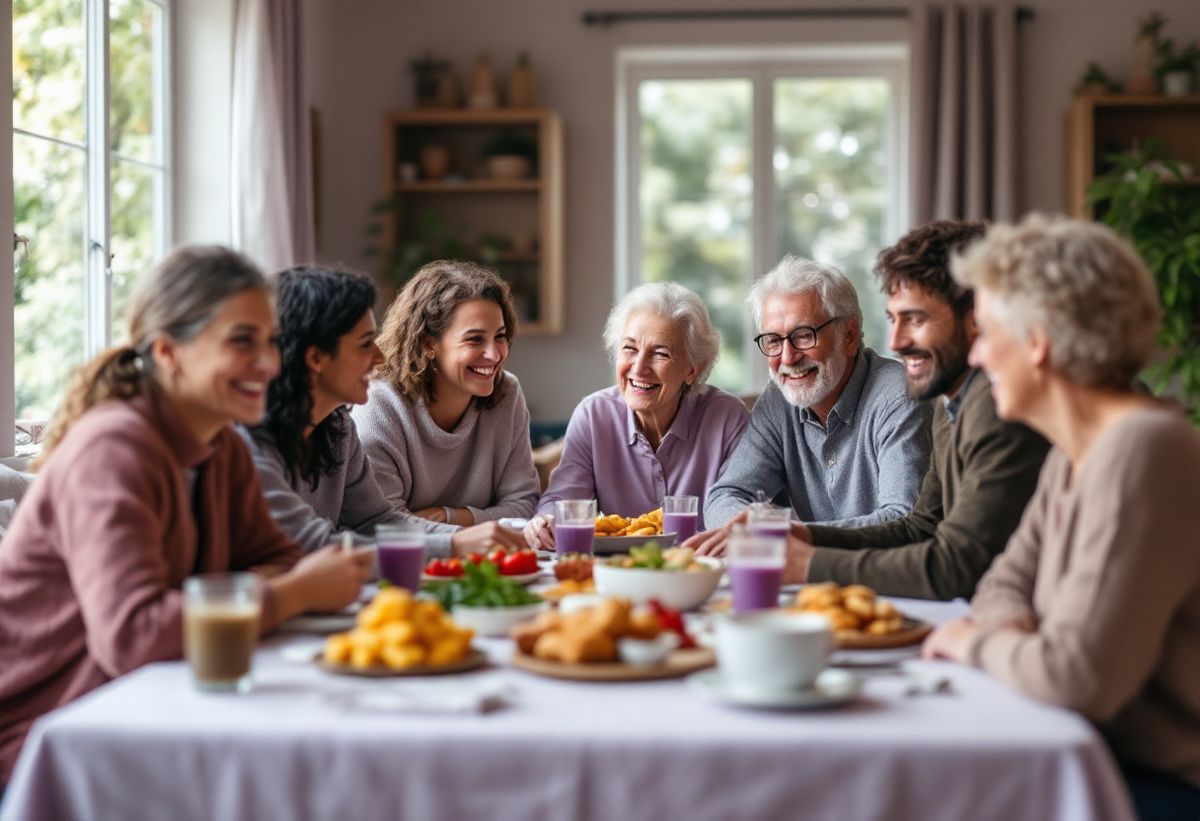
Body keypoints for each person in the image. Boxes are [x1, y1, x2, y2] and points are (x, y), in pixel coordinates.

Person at [0, 246, 373, 785]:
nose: (270, 363)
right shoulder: (112, 450)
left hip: (146, 704)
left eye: (271, 341)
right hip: (46, 739)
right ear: (168, 352)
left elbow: (277, 557)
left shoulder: (219, 446)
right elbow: (132, 633)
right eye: (242, 341)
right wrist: (289, 594)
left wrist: (246, 588)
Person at [921, 215, 1200, 816]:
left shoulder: (1143, 449)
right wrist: (1024, 643)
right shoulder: (1074, 451)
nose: (976, 353)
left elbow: (1075, 681)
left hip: (1161, 788)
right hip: (1094, 754)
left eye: (988, 331)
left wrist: (974, 642)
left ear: (1038, 341)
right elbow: (1000, 582)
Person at [779, 221, 1049, 599]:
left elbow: (957, 565)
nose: (895, 341)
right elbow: (920, 527)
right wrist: (808, 535)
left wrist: (810, 564)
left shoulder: (998, 403)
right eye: (893, 319)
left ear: (976, 317)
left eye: (915, 319)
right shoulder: (948, 400)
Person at [692, 256, 932, 550]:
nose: (788, 357)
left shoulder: (901, 394)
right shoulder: (778, 400)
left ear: (850, 335)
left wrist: (783, 536)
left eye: (804, 335)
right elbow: (725, 496)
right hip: (812, 583)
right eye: (773, 341)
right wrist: (757, 532)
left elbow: (903, 521)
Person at [525, 282, 749, 551]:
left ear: (692, 369)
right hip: (615, 571)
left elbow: (735, 504)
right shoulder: (594, 415)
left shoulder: (727, 418)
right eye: (629, 348)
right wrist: (546, 521)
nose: (639, 368)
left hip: (698, 569)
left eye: (660, 353)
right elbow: (563, 500)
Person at [352, 260, 535, 556]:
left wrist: (450, 515)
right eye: (475, 339)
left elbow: (524, 505)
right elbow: (382, 524)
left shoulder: (507, 392)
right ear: (428, 344)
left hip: (484, 564)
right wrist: (475, 530)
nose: (494, 354)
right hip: (404, 568)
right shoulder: (379, 405)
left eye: (500, 336)